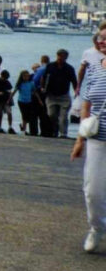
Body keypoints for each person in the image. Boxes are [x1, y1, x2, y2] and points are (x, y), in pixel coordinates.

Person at [70, 54, 106, 253]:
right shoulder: (93, 69)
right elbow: (86, 106)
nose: (102, 42)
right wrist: (79, 140)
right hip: (98, 138)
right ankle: (97, 227)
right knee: (93, 192)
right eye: (101, 38)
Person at [42, 49, 78, 138]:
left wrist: (76, 91)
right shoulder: (50, 66)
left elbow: (74, 81)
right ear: (57, 56)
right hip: (51, 95)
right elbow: (44, 77)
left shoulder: (69, 68)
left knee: (63, 116)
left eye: (63, 57)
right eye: (59, 56)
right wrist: (42, 87)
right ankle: (55, 131)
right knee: (51, 115)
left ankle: (63, 134)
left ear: (66, 57)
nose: (61, 58)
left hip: (64, 95)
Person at [33, 54, 53, 137]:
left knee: (40, 113)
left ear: (41, 61)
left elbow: (35, 80)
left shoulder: (41, 69)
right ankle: (49, 131)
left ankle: (41, 131)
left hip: (40, 92)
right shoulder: (52, 68)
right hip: (51, 92)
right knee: (48, 113)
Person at [13, 70, 38, 136]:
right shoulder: (20, 84)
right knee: (24, 116)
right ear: (22, 77)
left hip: (29, 101)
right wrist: (10, 99)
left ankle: (23, 127)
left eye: (27, 76)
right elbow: (14, 91)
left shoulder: (31, 83)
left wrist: (40, 100)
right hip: (21, 101)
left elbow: (35, 92)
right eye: (25, 76)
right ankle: (23, 131)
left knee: (28, 116)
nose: (26, 77)